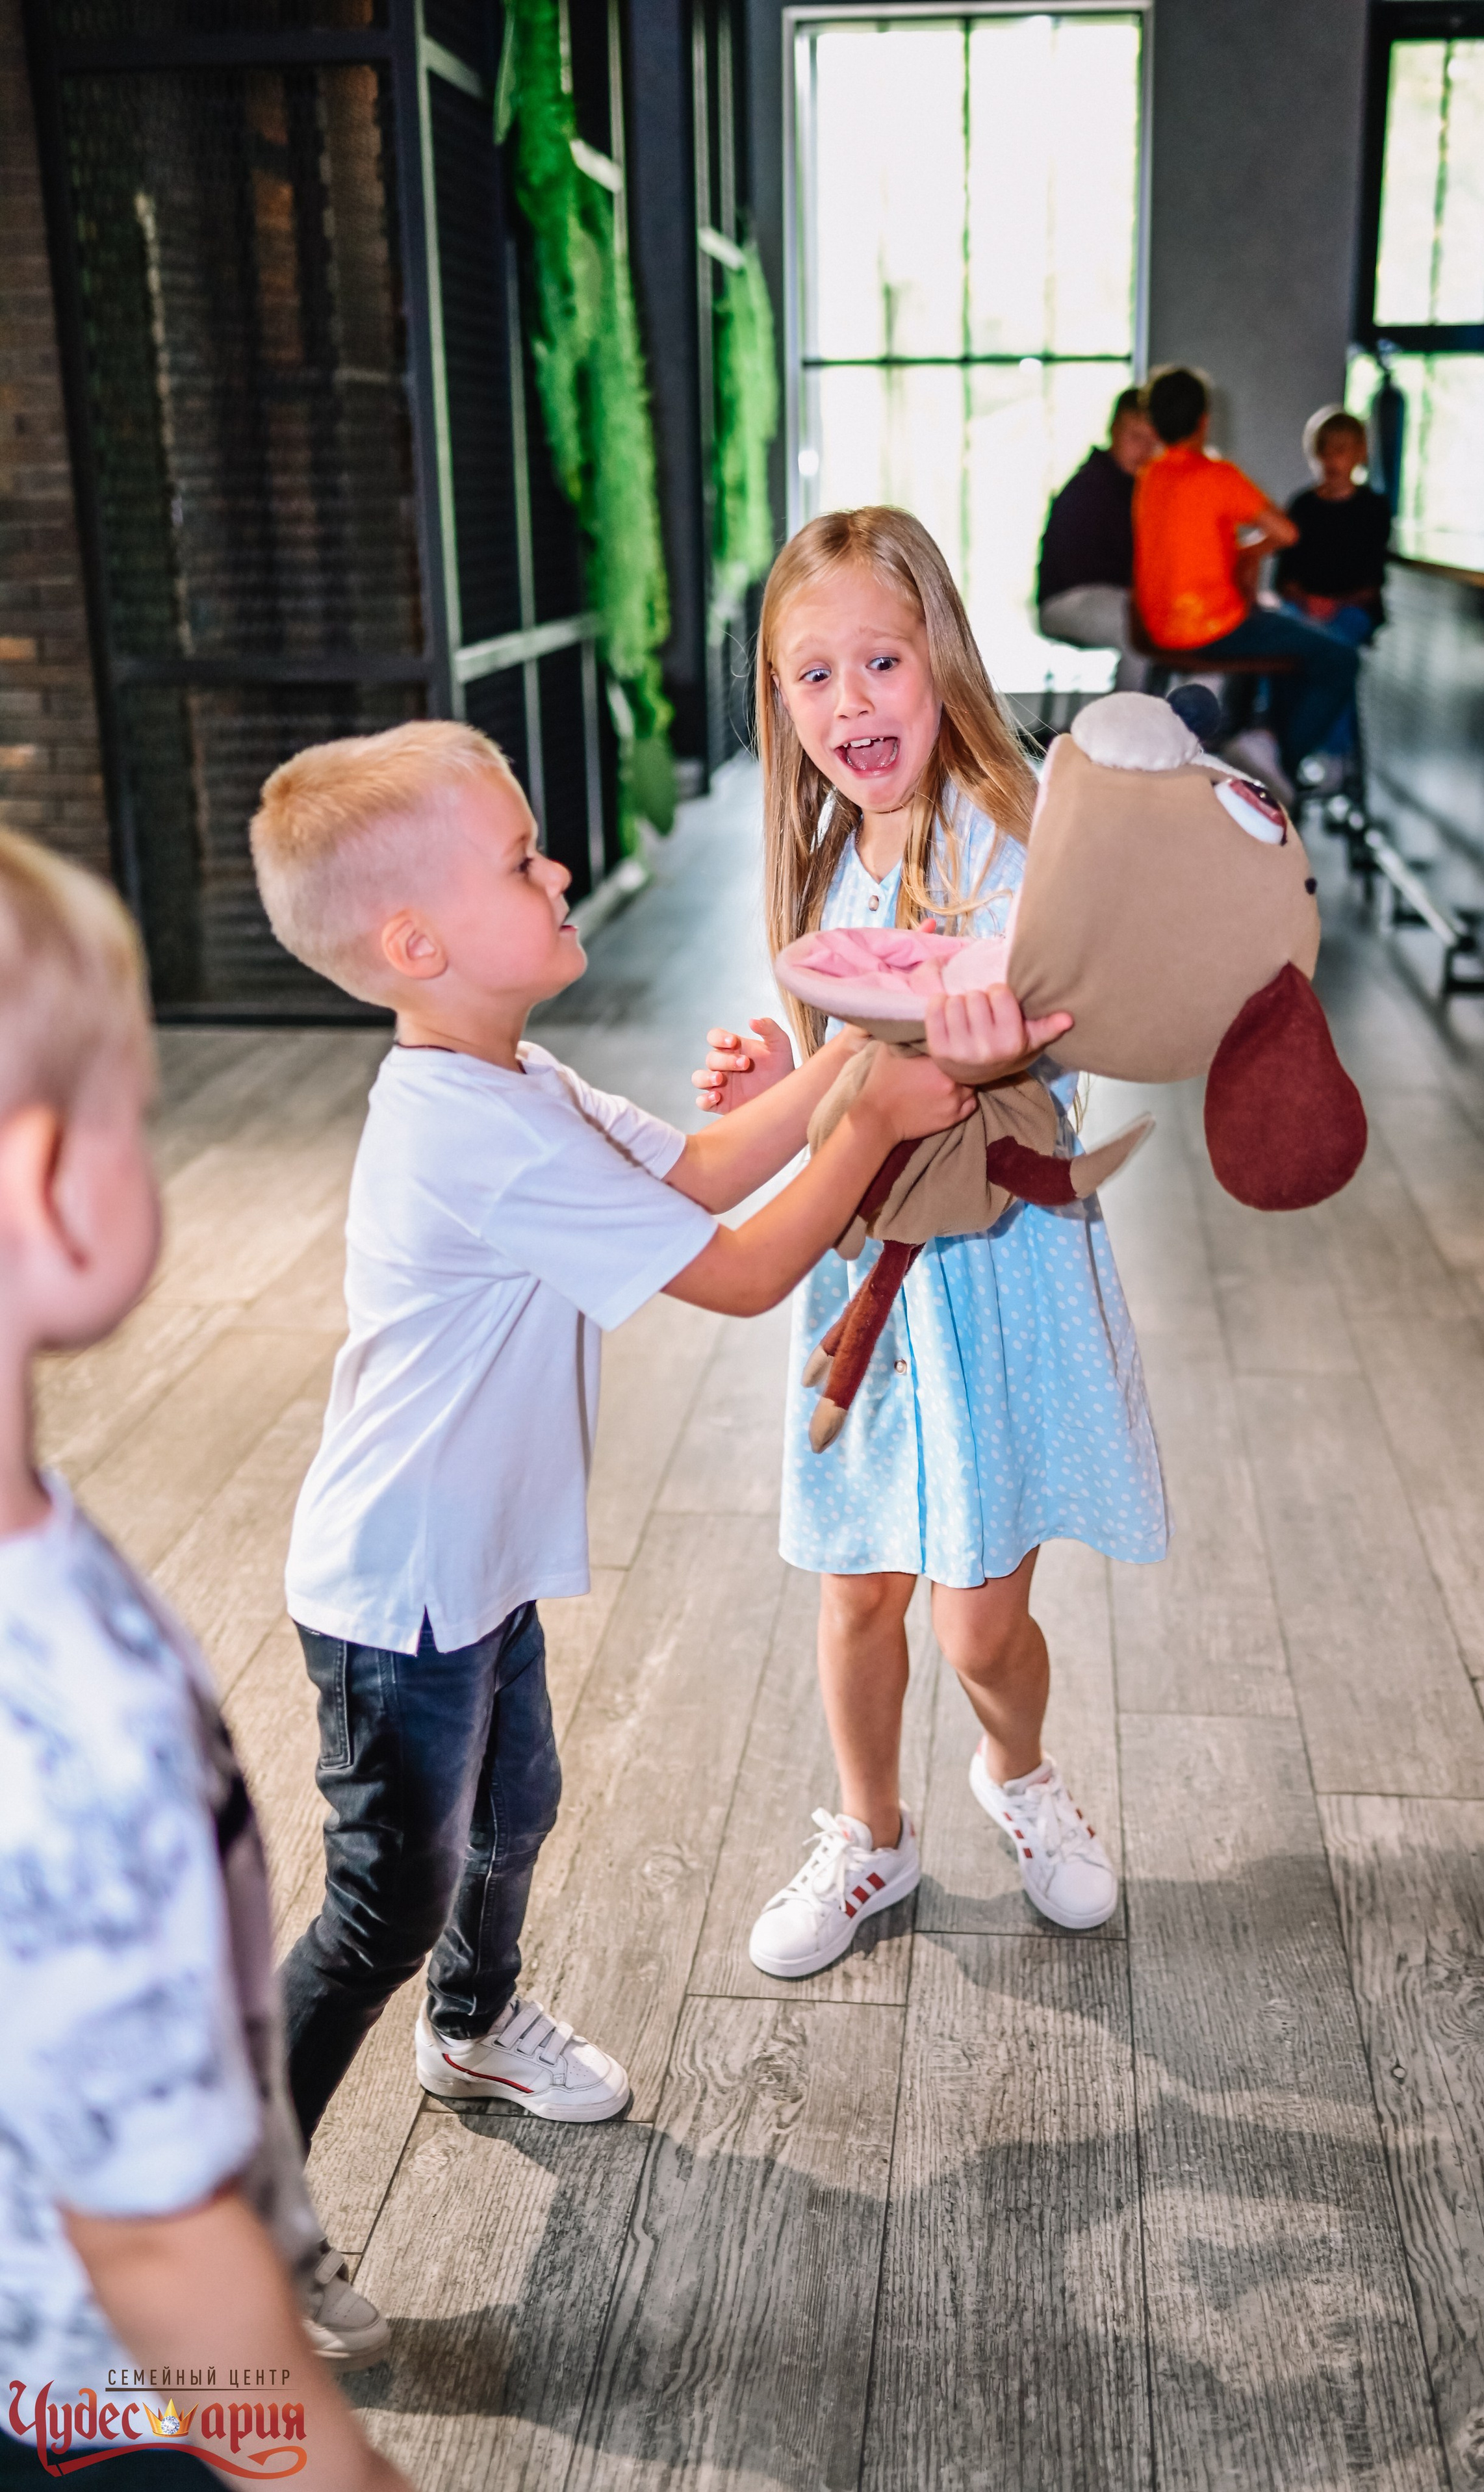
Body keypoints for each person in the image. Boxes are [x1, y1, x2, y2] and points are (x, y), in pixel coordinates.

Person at [248, 721, 974, 2149]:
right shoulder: (475, 1134)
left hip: (473, 1565)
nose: (561, 871)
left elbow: (701, 1168)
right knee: (382, 1907)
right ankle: (227, 2203)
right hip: (398, 1598)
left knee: (514, 1806)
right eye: (521, 862)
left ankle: (470, 2026)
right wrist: (868, 1125)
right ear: (415, 944)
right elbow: (742, 1273)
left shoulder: (515, 1078)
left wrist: (850, 1059)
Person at [695, 507, 1170, 1980]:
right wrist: (778, 1091)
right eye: (813, 675)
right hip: (871, 1290)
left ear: (941, 657)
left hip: (999, 1270)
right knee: (855, 1591)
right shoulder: (820, 865)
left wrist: (996, 1052)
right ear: (781, 703)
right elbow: (845, 1086)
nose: (850, 700)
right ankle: (870, 1832)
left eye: (880, 662)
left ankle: (1019, 1774)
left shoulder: (1018, 845)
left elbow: (1075, 1057)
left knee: (976, 1625)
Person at [0, 829, 409, 2490]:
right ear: (45, 1185)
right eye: (143, 1112)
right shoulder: (73, 1722)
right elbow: (165, 2249)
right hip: (86, 2408)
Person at [1133, 365, 1358, 796]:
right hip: (1214, 629)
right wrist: (1246, 551)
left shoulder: (1150, 477)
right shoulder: (1218, 475)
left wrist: (1229, 552)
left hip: (1157, 628)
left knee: (1287, 638)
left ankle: (1264, 742)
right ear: (1204, 420)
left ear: (1155, 425)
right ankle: (1274, 751)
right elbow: (1286, 533)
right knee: (1338, 657)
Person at [1275, 405, 1390, 782]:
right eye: (1324, 450)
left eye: (1341, 450)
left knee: (1338, 652)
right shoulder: (1303, 506)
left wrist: (1333, 604)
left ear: (1359, 454)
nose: (1332, 460)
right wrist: (1308, 601)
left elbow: (1372, 580)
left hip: (1352, 609)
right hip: (1303, 607)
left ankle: (1329, 753)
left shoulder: (1373, 509)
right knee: (1281, 652)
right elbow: (1285, 577)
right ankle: (1280, 743)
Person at [1035, 385, 1160, 687]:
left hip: (1115, 597)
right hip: (1067, 599)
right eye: (1135, 437)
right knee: (1138, 628)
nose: (1144, 449)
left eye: (1151, 440)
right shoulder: (1089, 486)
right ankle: (1128, 716)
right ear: (1114, 430)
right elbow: (1079, 568)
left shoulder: (1145, 489)